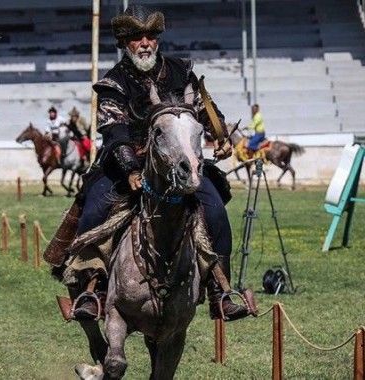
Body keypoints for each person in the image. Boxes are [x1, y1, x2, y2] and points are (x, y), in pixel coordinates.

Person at [56, 4, 247, 321]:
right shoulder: (113, 83)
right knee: (93, 211)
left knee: (215, 210)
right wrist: (131, 168)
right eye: (136, 37)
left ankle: (220, 292)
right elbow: (114, 132)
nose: (145, 42)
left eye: (150, 36)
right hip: (124, 164)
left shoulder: (181, 72)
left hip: (179, 164)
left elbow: (205, 111)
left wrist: (222, 136)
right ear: (124, 42)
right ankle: (95, 291)